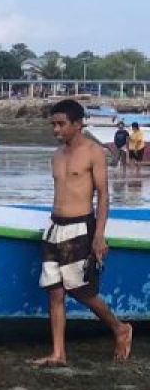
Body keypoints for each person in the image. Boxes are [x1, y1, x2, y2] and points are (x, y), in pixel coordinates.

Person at [32, 99, 133, 365]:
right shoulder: (56, 154)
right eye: (53, 124)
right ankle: (58, 353)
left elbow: (104, 196)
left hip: (80, 226)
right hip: (55, 227)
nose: (56, 129)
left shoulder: (93, 151)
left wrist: (99, 236)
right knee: (54, 291)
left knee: (80, 290)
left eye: (61, 124)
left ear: (78, 124)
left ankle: (120, 328)